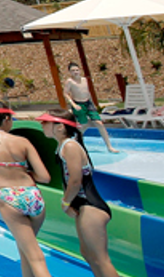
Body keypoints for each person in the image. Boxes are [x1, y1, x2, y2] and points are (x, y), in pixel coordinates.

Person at [0, 106, 53, 277]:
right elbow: (45, 177)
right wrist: (27, 173)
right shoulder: (22, 142)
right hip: (32, 195)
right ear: (6, 119)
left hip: (9, 198)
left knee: (35, 256)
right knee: (26, 249)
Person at [40, 111, 117, 277]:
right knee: (88, 254)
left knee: (101, 258)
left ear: (60, 127)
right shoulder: (63, 146)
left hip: (90, 206)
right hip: (83, 205)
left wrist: (66, 203)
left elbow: (75, 180)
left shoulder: (70, 146)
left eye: (46, 122)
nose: (42, 125)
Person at [62, 63, 119, 153]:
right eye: (73, 71)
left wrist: (94, 104)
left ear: (80, 70)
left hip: (88, 103)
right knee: (83, 125)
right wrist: (73, 105)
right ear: (69, 72)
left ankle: (109, 146)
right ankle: (77, 142)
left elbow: (87, 92)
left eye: (77, 70)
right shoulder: (69, 81)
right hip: (78, 104)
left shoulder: (84, 80)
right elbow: (65, 94)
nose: (75, 72)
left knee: (99, 123)